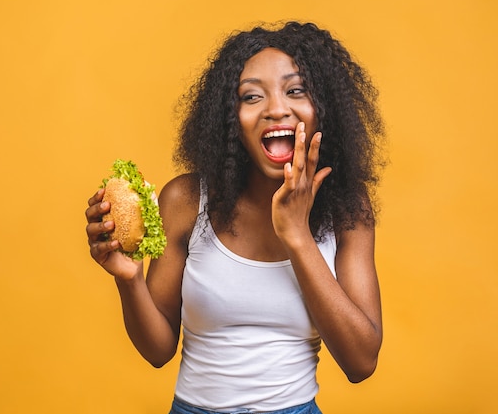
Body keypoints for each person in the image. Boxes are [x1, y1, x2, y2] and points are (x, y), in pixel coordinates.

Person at [85, 21, 386, 414]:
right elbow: (157, 350)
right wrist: (129, 279)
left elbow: (361, 362)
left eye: (295, 90)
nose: (276, 108)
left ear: (322, 108)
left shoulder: (347, 210)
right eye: (251, 97)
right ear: (231, 121)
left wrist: (297, 235)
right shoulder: (187, 200)